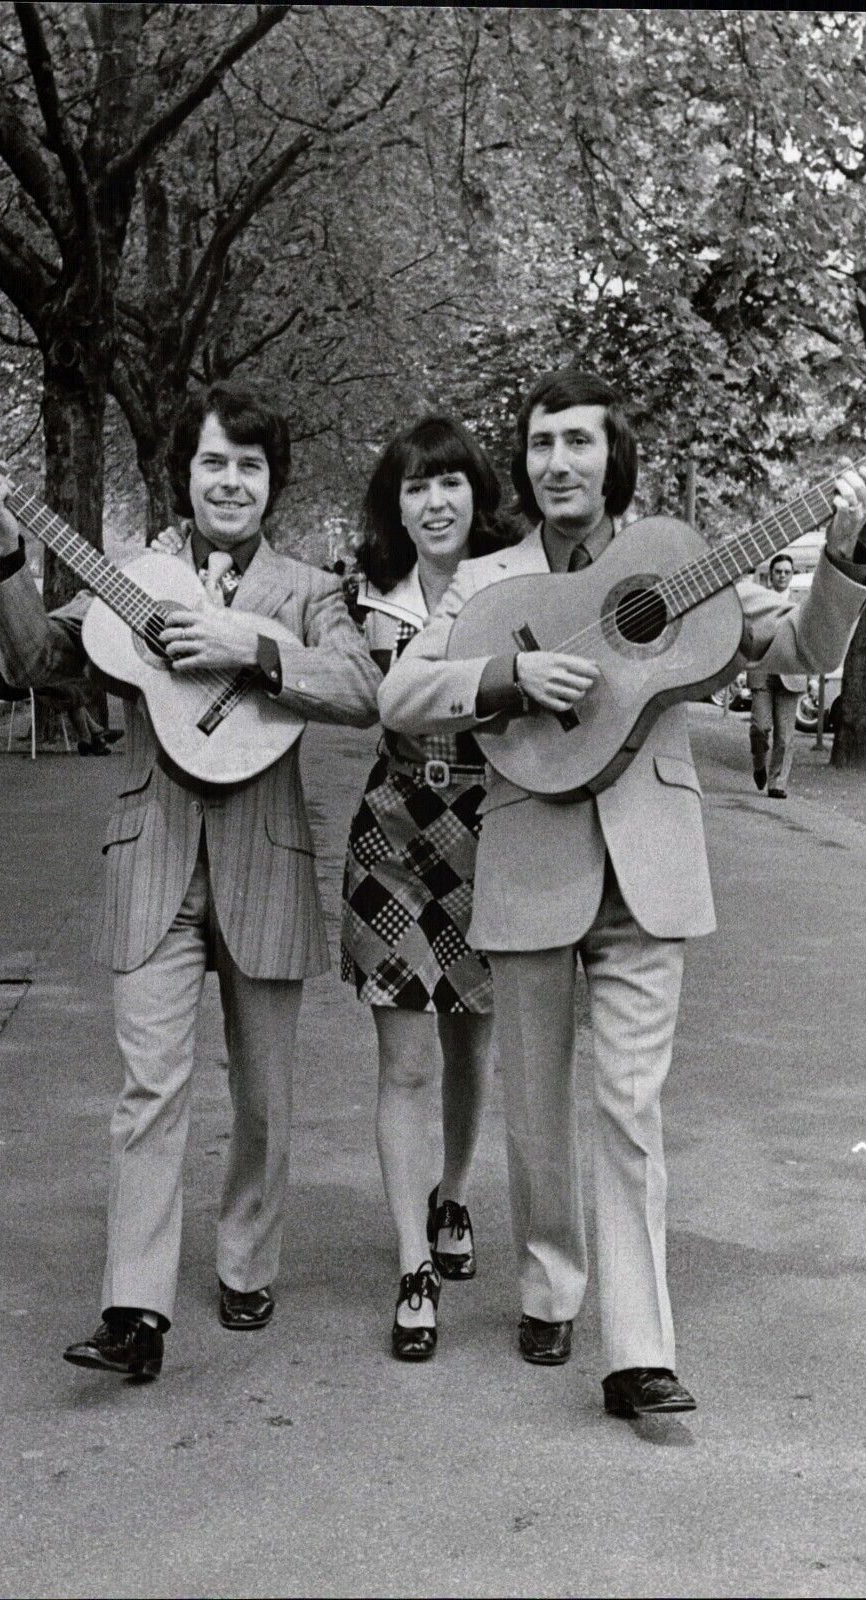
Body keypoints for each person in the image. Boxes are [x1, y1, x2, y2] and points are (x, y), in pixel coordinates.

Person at [378, 368, 866, 1420]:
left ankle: (637, 1348)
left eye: (577, 442)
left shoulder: (677, 560)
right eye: (539, 443)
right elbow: (400, 690)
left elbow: (798, 650)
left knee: (628, 1104)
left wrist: (845, 545)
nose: (556, 462)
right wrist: (507, 682)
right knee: (533, 1109)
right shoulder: (488, 579)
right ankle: (549, 1281)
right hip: (526, 854)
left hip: (649, 857)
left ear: (615, 458)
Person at [0, 378, 381, 1380]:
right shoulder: (132, 580)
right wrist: (4, 544)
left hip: (265, 856)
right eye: (212, 462)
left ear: (270, 482)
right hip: (153, 854)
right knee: (148, 1087)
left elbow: (364, 688)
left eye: (248, 464)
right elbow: (31, 661)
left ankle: (246, 1258)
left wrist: (253, 650)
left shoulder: (306, 590)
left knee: (266, 1096)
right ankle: (134, 1310)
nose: (230, 481)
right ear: (184, 475)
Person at [341, 415, 521, 1360]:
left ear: (475, 493)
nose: (435, 501)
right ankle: (414, 1259)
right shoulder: (361, 596)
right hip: (396, 837)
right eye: (415, 486)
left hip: (496, 831)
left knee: (472, 1046)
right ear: (395, 505)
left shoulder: (518, 582)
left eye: (450, 482)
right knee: (405, 1060)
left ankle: (456, 1194)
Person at [748, 552, 807, 797]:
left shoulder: (802, 604)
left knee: (784, 736)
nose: (782, 576)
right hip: (763, 670)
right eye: (778, 571)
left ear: (792, 576)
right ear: (770, 575)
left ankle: (777, 783)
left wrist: (811, 677)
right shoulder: (760, 600)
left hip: (791, 673)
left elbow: (809, 642)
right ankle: (759, 764)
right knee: (760, 728)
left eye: (787, 572)